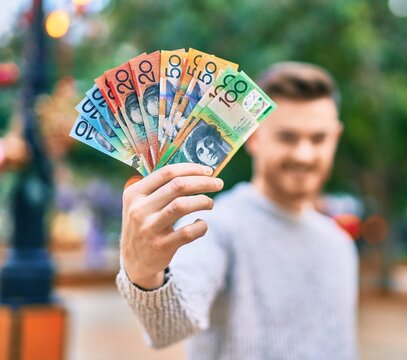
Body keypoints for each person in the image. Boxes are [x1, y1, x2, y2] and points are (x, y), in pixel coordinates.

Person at [117, 62, 358, 360]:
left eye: (318, 138)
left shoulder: (339, 245)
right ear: (253, 136)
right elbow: (169, 326)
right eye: (287, 137)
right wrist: (143, 273)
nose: (304, 154)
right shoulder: (213, 225)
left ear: (336, 136)